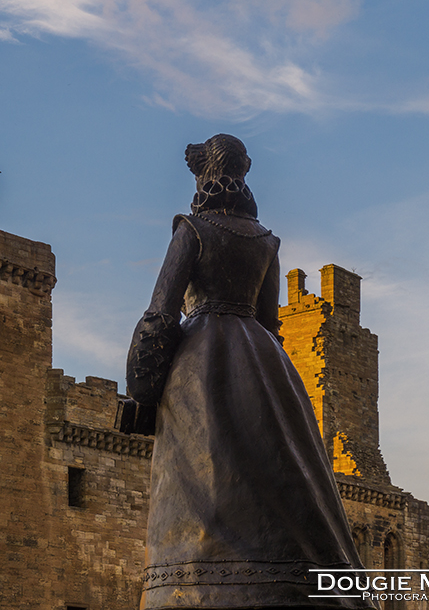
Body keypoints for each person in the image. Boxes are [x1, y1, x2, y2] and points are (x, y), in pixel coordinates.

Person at [126, 135, 373, 609]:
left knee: (202, 479)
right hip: (261, 361)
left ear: (203, 176)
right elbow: (269, 319)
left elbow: (160, 315)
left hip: (199, 363)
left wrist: (143, 389)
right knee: (275, 471)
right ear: (244, 172)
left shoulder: (191, 231)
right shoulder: (265, 240)